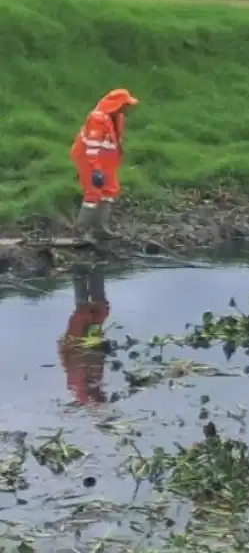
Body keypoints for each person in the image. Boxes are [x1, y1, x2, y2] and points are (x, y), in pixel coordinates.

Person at [70, 89, 139, 240]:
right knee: (93, 192)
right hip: (89, 158)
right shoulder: (97, 119)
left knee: (110, 190)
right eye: (125, 105)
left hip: (107, 161)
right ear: (117, 105)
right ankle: (80, 231)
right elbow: (92, 147)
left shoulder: (117, 117)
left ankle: (100, 228)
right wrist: (96, 169)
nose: (127, 108)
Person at [58, 264, 111, 405]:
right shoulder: (96, 383)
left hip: (74, 343)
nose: (103, 393)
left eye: (101, 396)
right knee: (101, 310)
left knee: (83, 312)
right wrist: (102, 348)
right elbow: (97, 360)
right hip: (91, 341)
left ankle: (79, 276)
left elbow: (81, 361)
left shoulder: (79, 386)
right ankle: (97, 272)